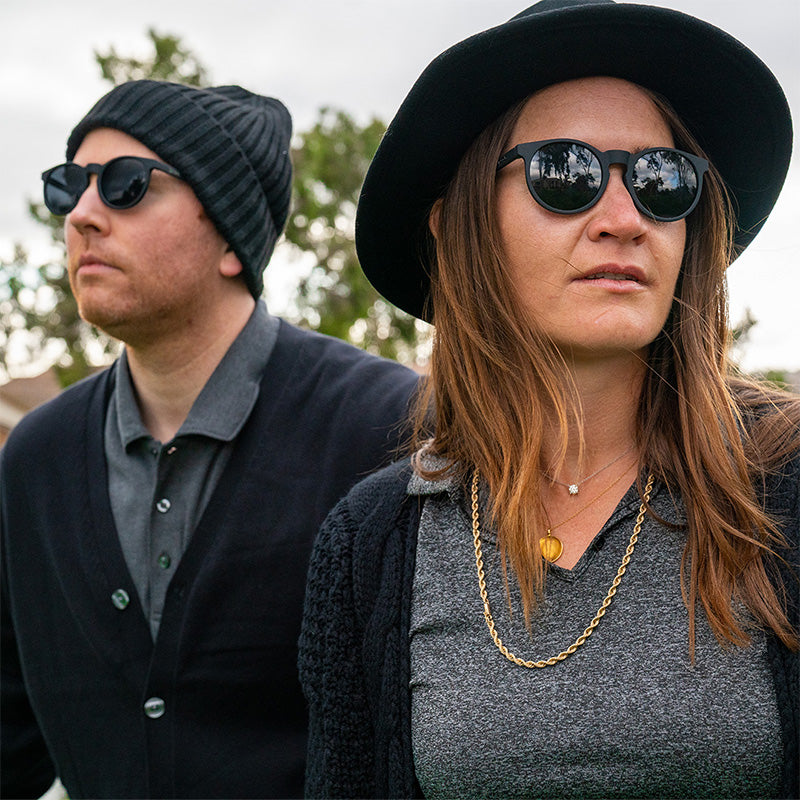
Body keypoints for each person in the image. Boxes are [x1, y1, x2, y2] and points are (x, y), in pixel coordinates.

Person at [298, 1, 800, 797]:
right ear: (455, 225)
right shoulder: (372, 544)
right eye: (565, 173)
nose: (624, 219)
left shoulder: (784, 488)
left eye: (661, 179)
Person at [0, 80, 419, 800]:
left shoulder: (385, 425)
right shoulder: (37, 458)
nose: (83, 215)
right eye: (69, 185)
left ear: (229, 236)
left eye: (127, 184)